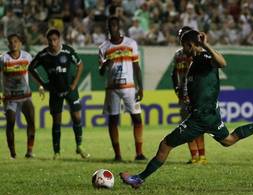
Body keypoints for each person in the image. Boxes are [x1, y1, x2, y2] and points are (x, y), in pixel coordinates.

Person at [119, 30, 253, 189]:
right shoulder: (195, 62)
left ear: (190, 45)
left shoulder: (203, 58)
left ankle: (138, 179)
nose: (181, 48)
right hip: (210, 114)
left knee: (165, 144)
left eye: (182, 44)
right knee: (228, 140)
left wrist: (206, 45)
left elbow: (222, 63)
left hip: (200, 118)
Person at [28, 28, 89, 159]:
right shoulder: (43, 55)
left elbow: (80, 64)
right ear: (47, 41)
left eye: (55, 40)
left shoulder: (67, 51)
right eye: (50, 40)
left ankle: (79, 146)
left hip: (70, 89)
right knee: (57, 121)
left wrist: (74, 83)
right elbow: (31, 68)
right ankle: (57, 152)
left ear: (59, 39)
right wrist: (42, 83)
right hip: (55, 91)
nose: (52, 43)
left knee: (77, 117)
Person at [98, 16, 146, 161]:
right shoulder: (103, 47)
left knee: (137, 119)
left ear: (119, 26)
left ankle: (139, 153)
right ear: (107, 27)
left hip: (130, 88)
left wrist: (141, 87)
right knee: (113, 120)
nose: (112, 27)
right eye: (110, 25)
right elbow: (100, 72)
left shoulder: (131, 43)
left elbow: (136, 66)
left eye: (114, 24)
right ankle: (117, 155)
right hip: (112, 89)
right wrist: (106, 64)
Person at [0, 33, 43, 159]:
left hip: (25, 96)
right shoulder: (4, 59)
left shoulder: (27, 57)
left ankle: (29, 151)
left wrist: (40, 85)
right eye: (11, 42)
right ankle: (13, 154)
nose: (13, 44)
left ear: (20, 43)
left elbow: (33, 72)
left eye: (15, 41)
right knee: (11, 123)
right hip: (10, 98)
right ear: (8, 44)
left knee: (31, 122)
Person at [171, 26, 207, 164]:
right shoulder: (178, 55)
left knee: (197, 125)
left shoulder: (198, 54)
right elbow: (174, 73)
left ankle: (202, 156)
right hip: (183, 94)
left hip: (196, 94)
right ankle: (194, 156)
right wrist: (176, 87)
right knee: (187, 125)